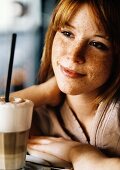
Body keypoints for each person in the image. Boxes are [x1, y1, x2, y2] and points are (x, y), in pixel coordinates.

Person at [12, 0, 120, 169]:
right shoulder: (39, 113)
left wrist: (80, 153)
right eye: (68, 33)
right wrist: (44, 91)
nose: (74, 54)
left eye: (97, 44)